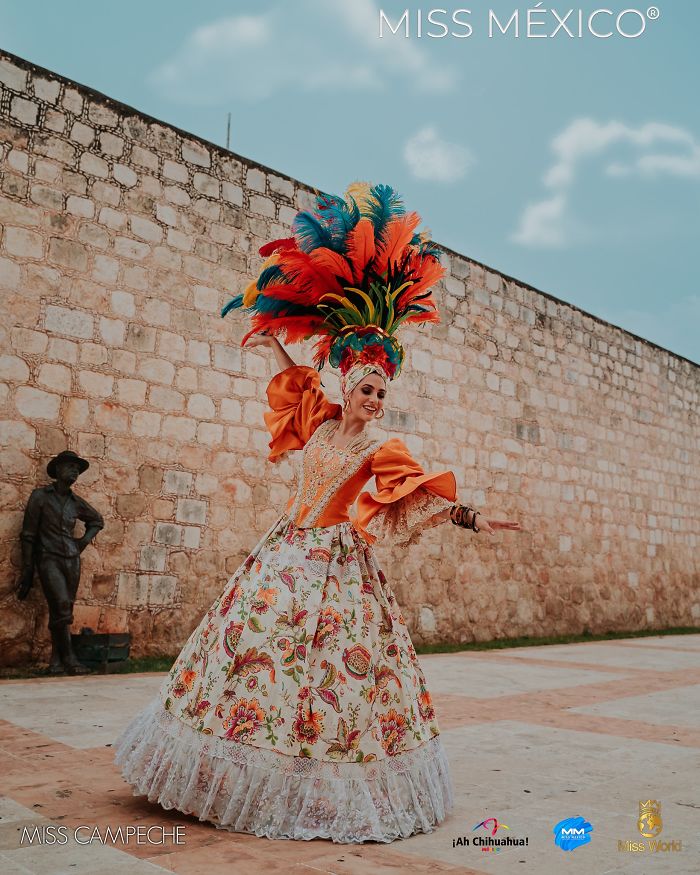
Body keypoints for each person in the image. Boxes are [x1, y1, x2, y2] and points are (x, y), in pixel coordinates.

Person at [114, 183, 521, 842]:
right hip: (283, 549)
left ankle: (320, 788)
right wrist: (271, 339)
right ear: (347, 385)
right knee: (249, 644)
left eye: (382, 391)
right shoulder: (323, 424)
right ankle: (226, 775)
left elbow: (419, 491)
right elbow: (291, 389)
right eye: (367, 388)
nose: (375, 399)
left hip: (335, 563)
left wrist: (473, 517)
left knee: (330, 672)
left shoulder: (379, 446)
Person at [17, 449, 104, 674]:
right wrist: (27, 569)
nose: (75, 470)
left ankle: (55, 662)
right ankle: (71, 659)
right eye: (70, 466)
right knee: (63, 605)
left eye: (77, 468)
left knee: (61, 611)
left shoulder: (76, 502)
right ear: (57, 469)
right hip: (48, 559)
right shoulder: (40, 497)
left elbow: (97, 521)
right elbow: (28, 535)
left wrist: (82, 542)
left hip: (72, 561)